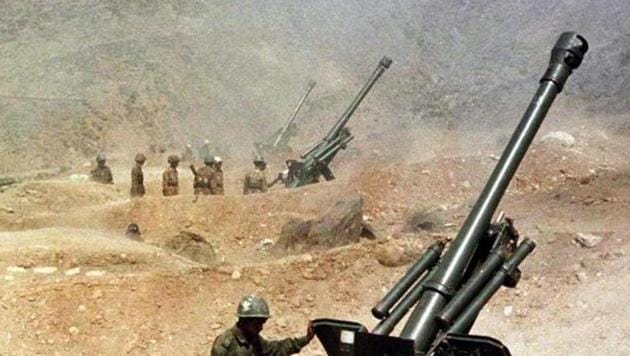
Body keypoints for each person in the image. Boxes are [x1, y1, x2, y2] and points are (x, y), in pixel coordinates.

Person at [211, 294, 314, 356]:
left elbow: (276, 349)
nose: (260, 328)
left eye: (262, 323)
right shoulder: (224, 345)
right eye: (257, 324)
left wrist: (306, 338)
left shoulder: (253, 339)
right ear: (244, 321)